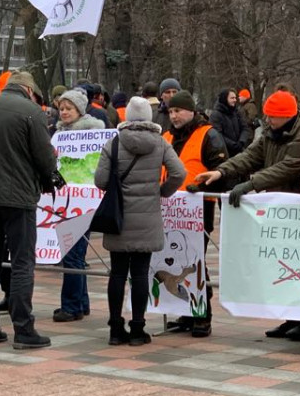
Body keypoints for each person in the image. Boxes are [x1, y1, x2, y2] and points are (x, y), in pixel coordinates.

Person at [194, 90, 300, 340]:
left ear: (287, 116)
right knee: (285, 265)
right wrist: (221, 172)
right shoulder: (271, 133)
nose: (268, 121)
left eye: (273, 117)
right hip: (282, 209)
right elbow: (249, 156)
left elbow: (284, 169)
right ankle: (294, 316)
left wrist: (249, 184)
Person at [0, 71, 57, 349]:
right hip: (19, 199)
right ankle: (23, 329)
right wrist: (50, 176)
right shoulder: (32, 112)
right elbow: (44, 156)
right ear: (29, 91)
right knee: (22, 264)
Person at [96, 97, 185, 344]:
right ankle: (138, 328)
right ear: (149, 117)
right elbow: (179, 172)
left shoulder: (113, 144)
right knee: (140, 274)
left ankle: (115, 329)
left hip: (118, 219)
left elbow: (100, 181)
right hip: (147, 218)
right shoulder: (160, 144)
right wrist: (163, 191)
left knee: (117, 274)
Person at [161, 90, 227, 337]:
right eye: (170, 111)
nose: (174, 115)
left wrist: (199, 188)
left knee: (195, 262)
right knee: (175, 262)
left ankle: (202, 315)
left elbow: (221, 170)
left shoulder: (208, 135)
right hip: (169, 209)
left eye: (177, 111)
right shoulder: (166, 136)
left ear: (191, 110)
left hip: (196, 209)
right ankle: (186, 312)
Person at [51, 90, 106, 323]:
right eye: (62, 108)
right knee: (75, 254)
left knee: (72, 255)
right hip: (64, 200)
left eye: (69, 108)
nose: (64, 112)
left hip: (83, 202)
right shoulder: (59, 133)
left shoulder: (92, 133)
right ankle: (81, 303)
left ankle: (71, 306)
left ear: (80, 111)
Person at [209, 88, 252, 157]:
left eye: (235, 98)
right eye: (232, 98)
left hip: (239, 151)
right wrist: (233, 145)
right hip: (224, 153)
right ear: (225, 99)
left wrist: (241, 141)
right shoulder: (216, 115)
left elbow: (245, 127)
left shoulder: (237, 112)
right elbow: (217, 135)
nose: (235, 100)